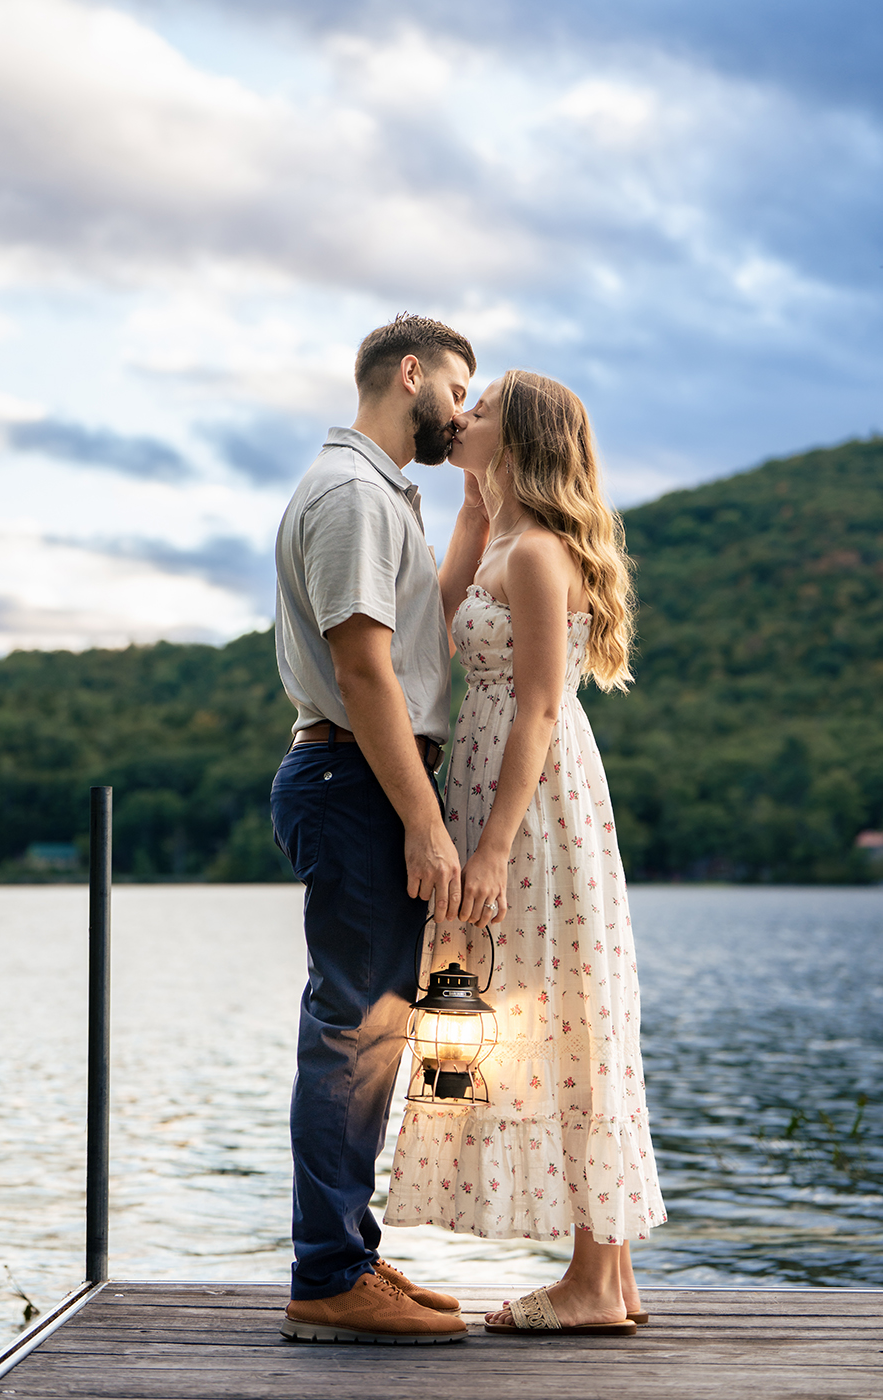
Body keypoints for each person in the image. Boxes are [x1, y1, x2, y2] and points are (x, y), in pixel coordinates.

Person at [384, 369, 667, 1337]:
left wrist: (494, 846)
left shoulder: (541, 552)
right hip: (498, 784)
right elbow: (432, 624)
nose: (463, 416)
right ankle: (611, 1277)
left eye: (486, 407)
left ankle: (591, 1280)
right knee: (557, 1013)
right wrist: (470, 510)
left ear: (523, 435)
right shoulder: (502, 535)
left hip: (535, 803)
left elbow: (543, 702)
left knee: (569, 1016)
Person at [271, 314, 487, 1344]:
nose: (465, 407)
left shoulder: (375, 492)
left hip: (356, 777)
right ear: (413, 374)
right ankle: (327, 1274)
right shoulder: (356, 493)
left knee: (372, 1021)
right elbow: (364, 672)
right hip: (355, 780)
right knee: (355, 1025)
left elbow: (412, 652)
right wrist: (423, 820)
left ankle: (345, 1252)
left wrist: (475, 520)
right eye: (458, 385)